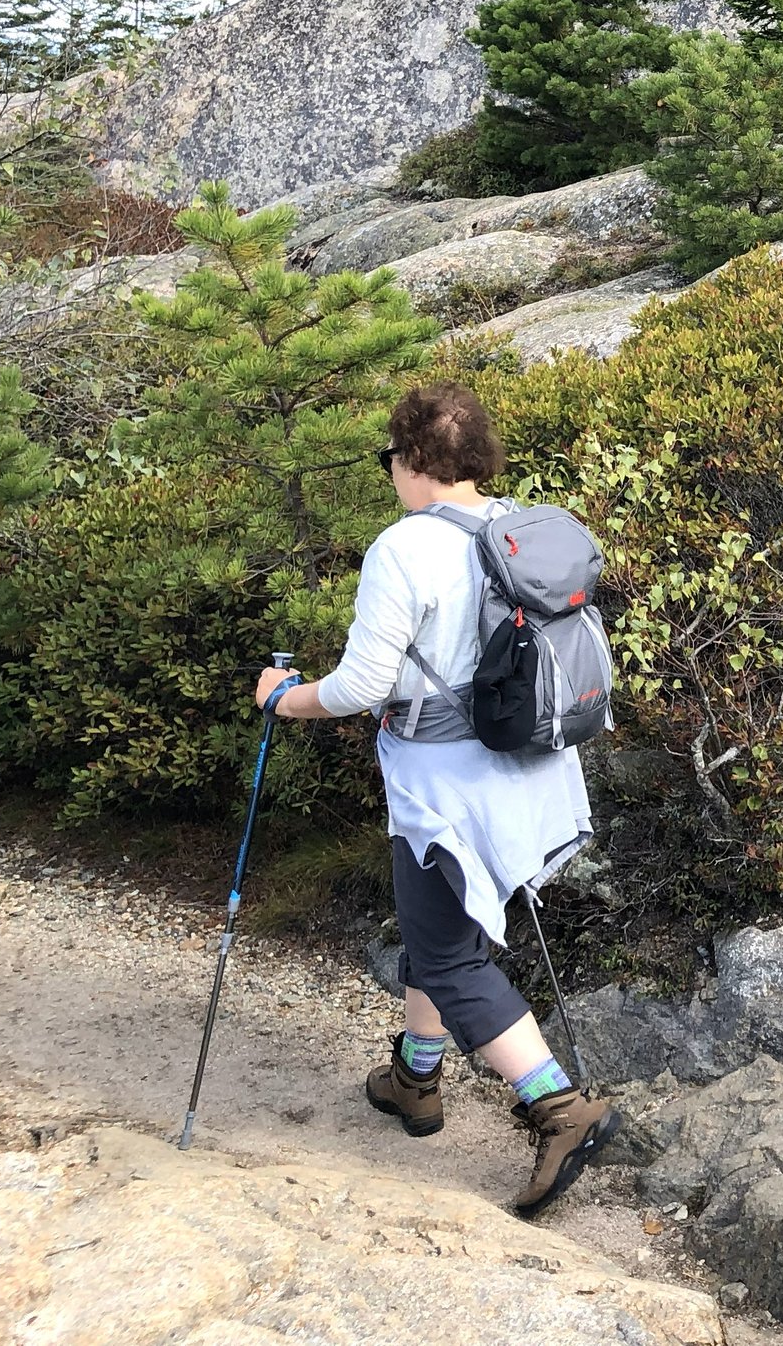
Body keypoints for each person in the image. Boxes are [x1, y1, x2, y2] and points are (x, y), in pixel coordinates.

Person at [250, 381, 617, 1213]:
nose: (390, 472)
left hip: (447, 788)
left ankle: (559, 1107)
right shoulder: (517, 525)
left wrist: (283, 698)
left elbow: (361, 686)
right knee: (434, 925)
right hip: (532, 769)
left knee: (448, 956)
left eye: (391, 456)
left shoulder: (404, 548)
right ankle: (416, 1078)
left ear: (413, 458)